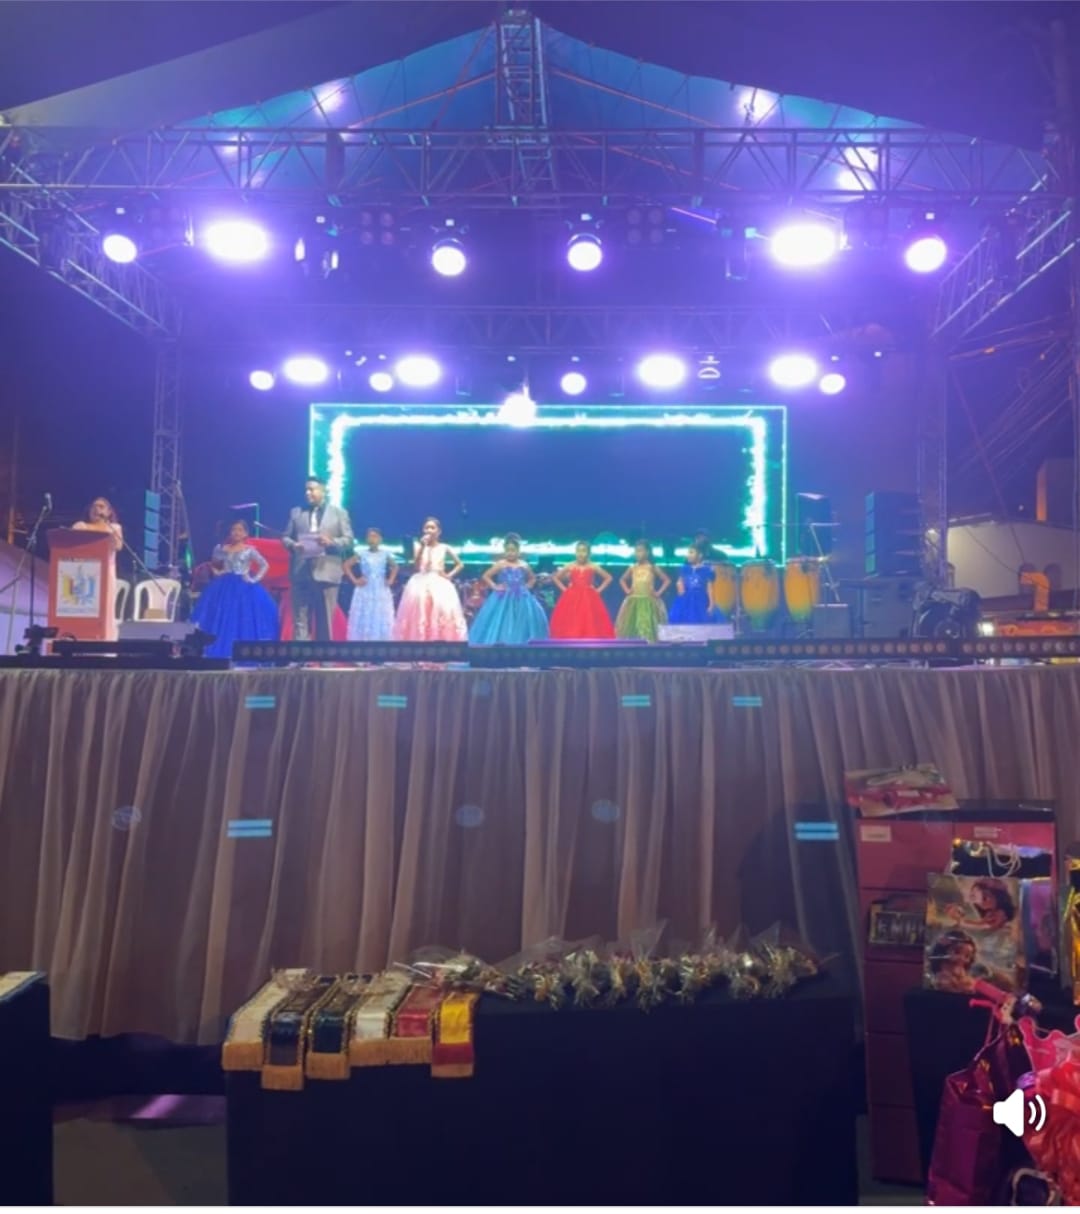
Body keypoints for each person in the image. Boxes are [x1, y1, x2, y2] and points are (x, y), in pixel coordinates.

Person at [190, 520, 279, 658]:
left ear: (245, 533)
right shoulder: (222, 549)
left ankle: (244, 652)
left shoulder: (249, 550)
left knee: (244, 616)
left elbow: (264, 565)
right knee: (223, 615)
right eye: (234, 529)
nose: (236, 532)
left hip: (244, 587)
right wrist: (218, 572)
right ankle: (221, 649)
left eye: (240, 530)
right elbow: (214, 564)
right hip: (224, 586)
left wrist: (254, 579)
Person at [282, 476, 354, 642]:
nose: (308, 493)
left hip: (327, 572)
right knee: (300, 618)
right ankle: (301, 654)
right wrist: (293, 545)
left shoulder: (339, 513)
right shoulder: (296, 512)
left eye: (312, 489)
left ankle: (324, 654)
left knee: (325, 620)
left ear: (323, 491)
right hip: (301, 572)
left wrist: (331, 542)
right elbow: (285, 537)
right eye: (306, 490)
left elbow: (349, 541)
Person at [392, 516, 467, 641]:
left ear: (439, 531)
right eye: (427, 527)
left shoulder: (444, 547)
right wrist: (422, 547)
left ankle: (438, 640)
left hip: (439, 583)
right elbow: (416, 566)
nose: (429, 530)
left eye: (432, 527)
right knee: (419, 611)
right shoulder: (418, 546)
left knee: (440, 611)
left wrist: (449, 575)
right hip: (419, 582)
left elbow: (460, 564)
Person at [469, 533, 549, 645]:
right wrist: (495, 586)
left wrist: (528, 586)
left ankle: (521, 642)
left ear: (518, 551)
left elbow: (532, 578)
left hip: (521, 597)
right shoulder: (501, 564)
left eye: (513, 550)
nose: (510, 553)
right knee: (502, 619)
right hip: (503, 597)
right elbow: (486, 576)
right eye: (508, 550)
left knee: (522, 620)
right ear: (504, 551)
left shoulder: (524, 565)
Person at [72, 497, 123, 642]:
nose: (96, 509)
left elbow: (118, 546)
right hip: (84, 573)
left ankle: (104, 641)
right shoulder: (81, 526)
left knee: (105, 607)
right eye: (93, 506)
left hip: (106, 573)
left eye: (101, 507)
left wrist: (109, 529)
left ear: (108, 512)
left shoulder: (114, 528)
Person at [549, 540, 615, 640]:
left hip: (589, 598)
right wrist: (564, 590)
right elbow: (555, 577)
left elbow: (608, 578)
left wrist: (598, 590)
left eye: (584, 551)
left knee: (588, 618)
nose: (581, 554)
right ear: (575, 552)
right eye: (578, 551)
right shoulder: (570, 565)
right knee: (572, 618)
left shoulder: (592, 566)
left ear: (588, 553)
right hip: (572, 597)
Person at [344, 527, 397, 641]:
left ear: (380, 539)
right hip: (365, 589)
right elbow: (346, 565)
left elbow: (395, 567)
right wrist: (355, 580)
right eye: (370, 536)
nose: (372, 539)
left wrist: (391, 579)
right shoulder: (362, 554)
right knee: (365, 613)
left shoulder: (385, 554)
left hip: (380, 589)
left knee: (380, 614)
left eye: (375, 536)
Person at [615, 539, 671, 642]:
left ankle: (648, 644)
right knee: (633, 625)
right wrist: (627, 590)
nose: (637, 554)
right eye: (636, 551)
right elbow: (622, 579)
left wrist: (658, 592)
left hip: (648, 601)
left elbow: (667, 580)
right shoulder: (633, 567)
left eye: (640, 551)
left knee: (647, 626)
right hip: (634, 601)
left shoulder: (652, 567)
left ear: (647, 552)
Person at [668, 543, 717, 624]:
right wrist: (679, 586)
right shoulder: (684, 569)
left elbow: (709, 588)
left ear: (700, 555)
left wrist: (711, 604)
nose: (688, 555)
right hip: (685, 600)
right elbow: (680, 582)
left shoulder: (707, 570)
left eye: (691, 552)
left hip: (701, 601)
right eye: (688, 553)